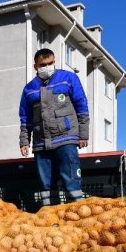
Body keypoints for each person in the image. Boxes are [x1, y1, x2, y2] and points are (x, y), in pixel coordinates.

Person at [19, 48, 89, 206]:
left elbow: (81, 105)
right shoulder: (29, 89)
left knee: (71, 181)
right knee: (46, 187)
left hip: (66, 139)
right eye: (43, 64)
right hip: (40, 144)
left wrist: (83, 134)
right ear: (35, 66)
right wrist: (24, 141)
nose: (48, 66)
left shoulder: (68, 78)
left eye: (51, 63)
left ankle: (76, 217)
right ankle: (52, 222)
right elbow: (25, 118)